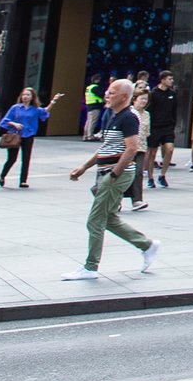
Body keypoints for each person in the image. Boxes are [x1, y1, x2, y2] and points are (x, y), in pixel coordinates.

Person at [63, 79, 159, 281]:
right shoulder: (113, 116)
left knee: (95, 220)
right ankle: (146, 245)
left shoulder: (128, 118)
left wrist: (114, 174)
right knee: (110, 219)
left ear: (124, 96)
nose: (107, 94)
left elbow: (132, 148)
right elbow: (106, 148)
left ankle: (90, 267)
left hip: (116, 175)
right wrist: (84, 167)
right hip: (109, 173)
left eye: (112, 92)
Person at [0, 88, 47, 187]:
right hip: (15, 135)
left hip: (28, 135)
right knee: (12, 158)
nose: (25, 97)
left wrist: (53, 101)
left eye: (28, 95)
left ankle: (23, 180)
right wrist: (14, 124)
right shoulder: (15, 108)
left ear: (32, 97)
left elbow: (45, 113)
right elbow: (4, 121)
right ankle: (2, 176)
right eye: (24, 95)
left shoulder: (35, 109)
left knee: (26, 158)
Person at [147, 73, 180, 191]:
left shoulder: (172, 94)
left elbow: (174, 111)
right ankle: (150, 177)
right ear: (162, 80)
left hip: (167, 127)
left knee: (170, 149)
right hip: (155, 127)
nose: (172, 81)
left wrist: (173, 125)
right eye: (169, 79)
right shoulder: (153, 93)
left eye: (172, 78)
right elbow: (149, 110)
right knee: (152, 152)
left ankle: (162, 175)